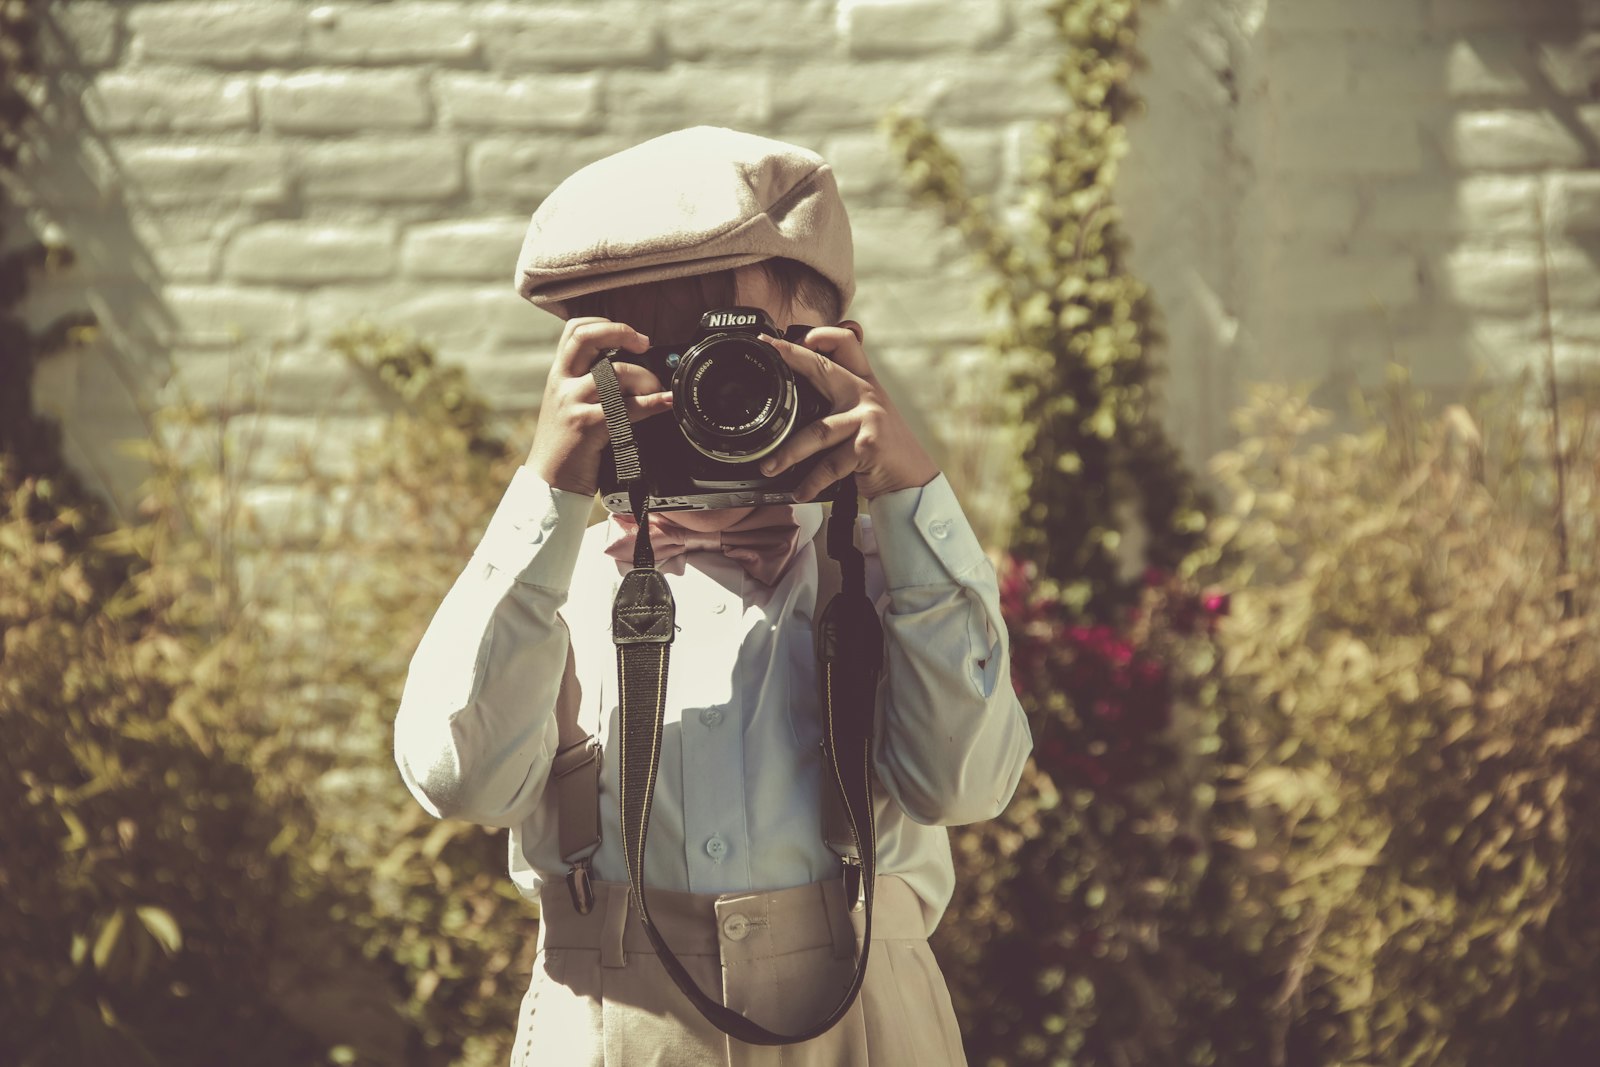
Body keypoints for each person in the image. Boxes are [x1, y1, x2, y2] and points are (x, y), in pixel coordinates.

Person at [393, 126, 1033, 1067]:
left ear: (833, 355)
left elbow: (967, 785)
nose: (707, 394)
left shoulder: (890, 571)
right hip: (611, 1021)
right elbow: (458, 779)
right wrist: (545, 495)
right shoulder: (548, 578)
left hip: (866, 1018)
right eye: (660, 362)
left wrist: (907, 493)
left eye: (742, 362)